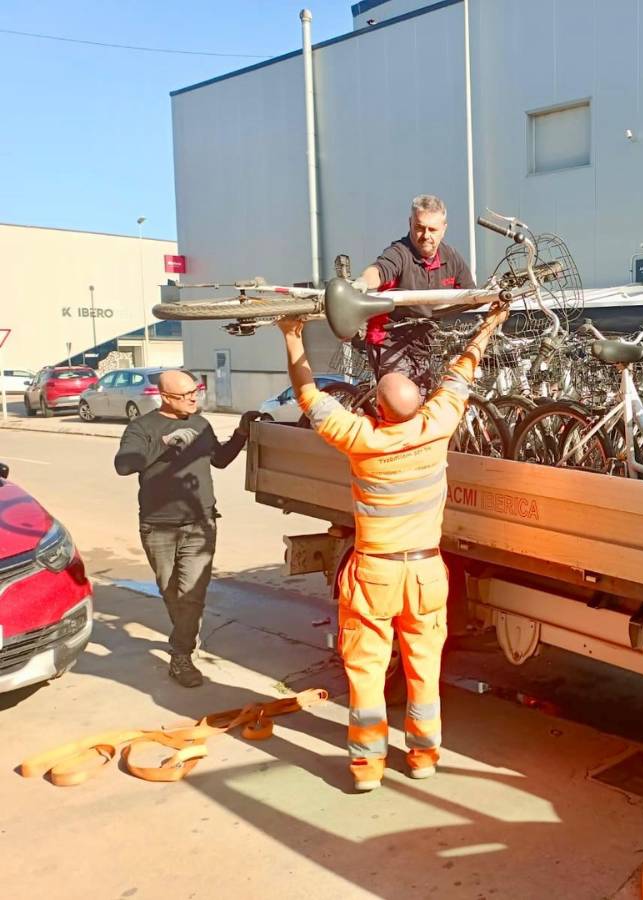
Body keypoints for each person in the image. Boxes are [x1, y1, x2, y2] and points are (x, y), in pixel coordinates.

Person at [277, 301, 507, 791]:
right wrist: (490, 324)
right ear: (417, 404)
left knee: (365, 672)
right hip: (424, 576)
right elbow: (462, 371)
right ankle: (423, 758)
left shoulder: (360, 438)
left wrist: (292, 335)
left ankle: (366, 768)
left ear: (376, 410)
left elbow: (308, 394)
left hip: (374, 575)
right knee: (425, 670)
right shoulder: (437, 426)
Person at [114, 371, 263, 687]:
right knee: (171, 593)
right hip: (158, 527)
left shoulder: (200, 424)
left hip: (200, 523)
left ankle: (180, 655)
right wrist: (165, 445)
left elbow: (219, 460)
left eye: (196, 392)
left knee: (192, 594)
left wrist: (241, 433)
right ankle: (183, 637)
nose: (195, 398)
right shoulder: (143, 428)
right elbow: (124, 465)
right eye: (187, 395)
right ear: (165, 397)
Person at [352, 194, 480, 405]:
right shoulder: (400, 253)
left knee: (430, 403)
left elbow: (471, 295)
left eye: (433, 229)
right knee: (404, 404)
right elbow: (380, 269)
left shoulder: (452, 257)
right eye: (420, 227)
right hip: (390, 340)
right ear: (410, 223)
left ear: (444, 228)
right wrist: (363, 282)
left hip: (427, 341)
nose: (425, 235)